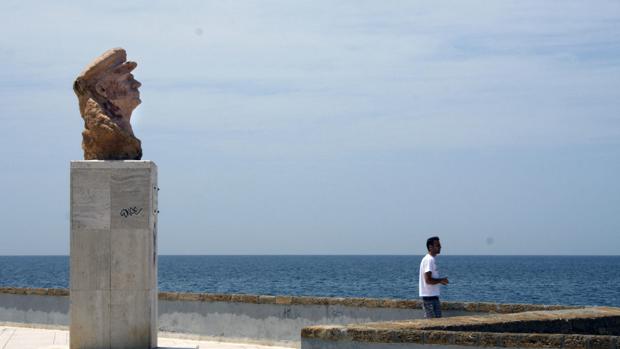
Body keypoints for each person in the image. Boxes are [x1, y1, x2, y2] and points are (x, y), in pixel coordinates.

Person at [419, 236, 449, 318]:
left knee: (437, 323)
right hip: (429, 299)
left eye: (439, 245)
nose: (440, 247)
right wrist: (441, 280)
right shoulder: (429, 260)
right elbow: (428, 280)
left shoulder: (431, 259)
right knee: (432, 324)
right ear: (430, 247)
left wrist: (440, 281)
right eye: (438, 245)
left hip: (433, 297)